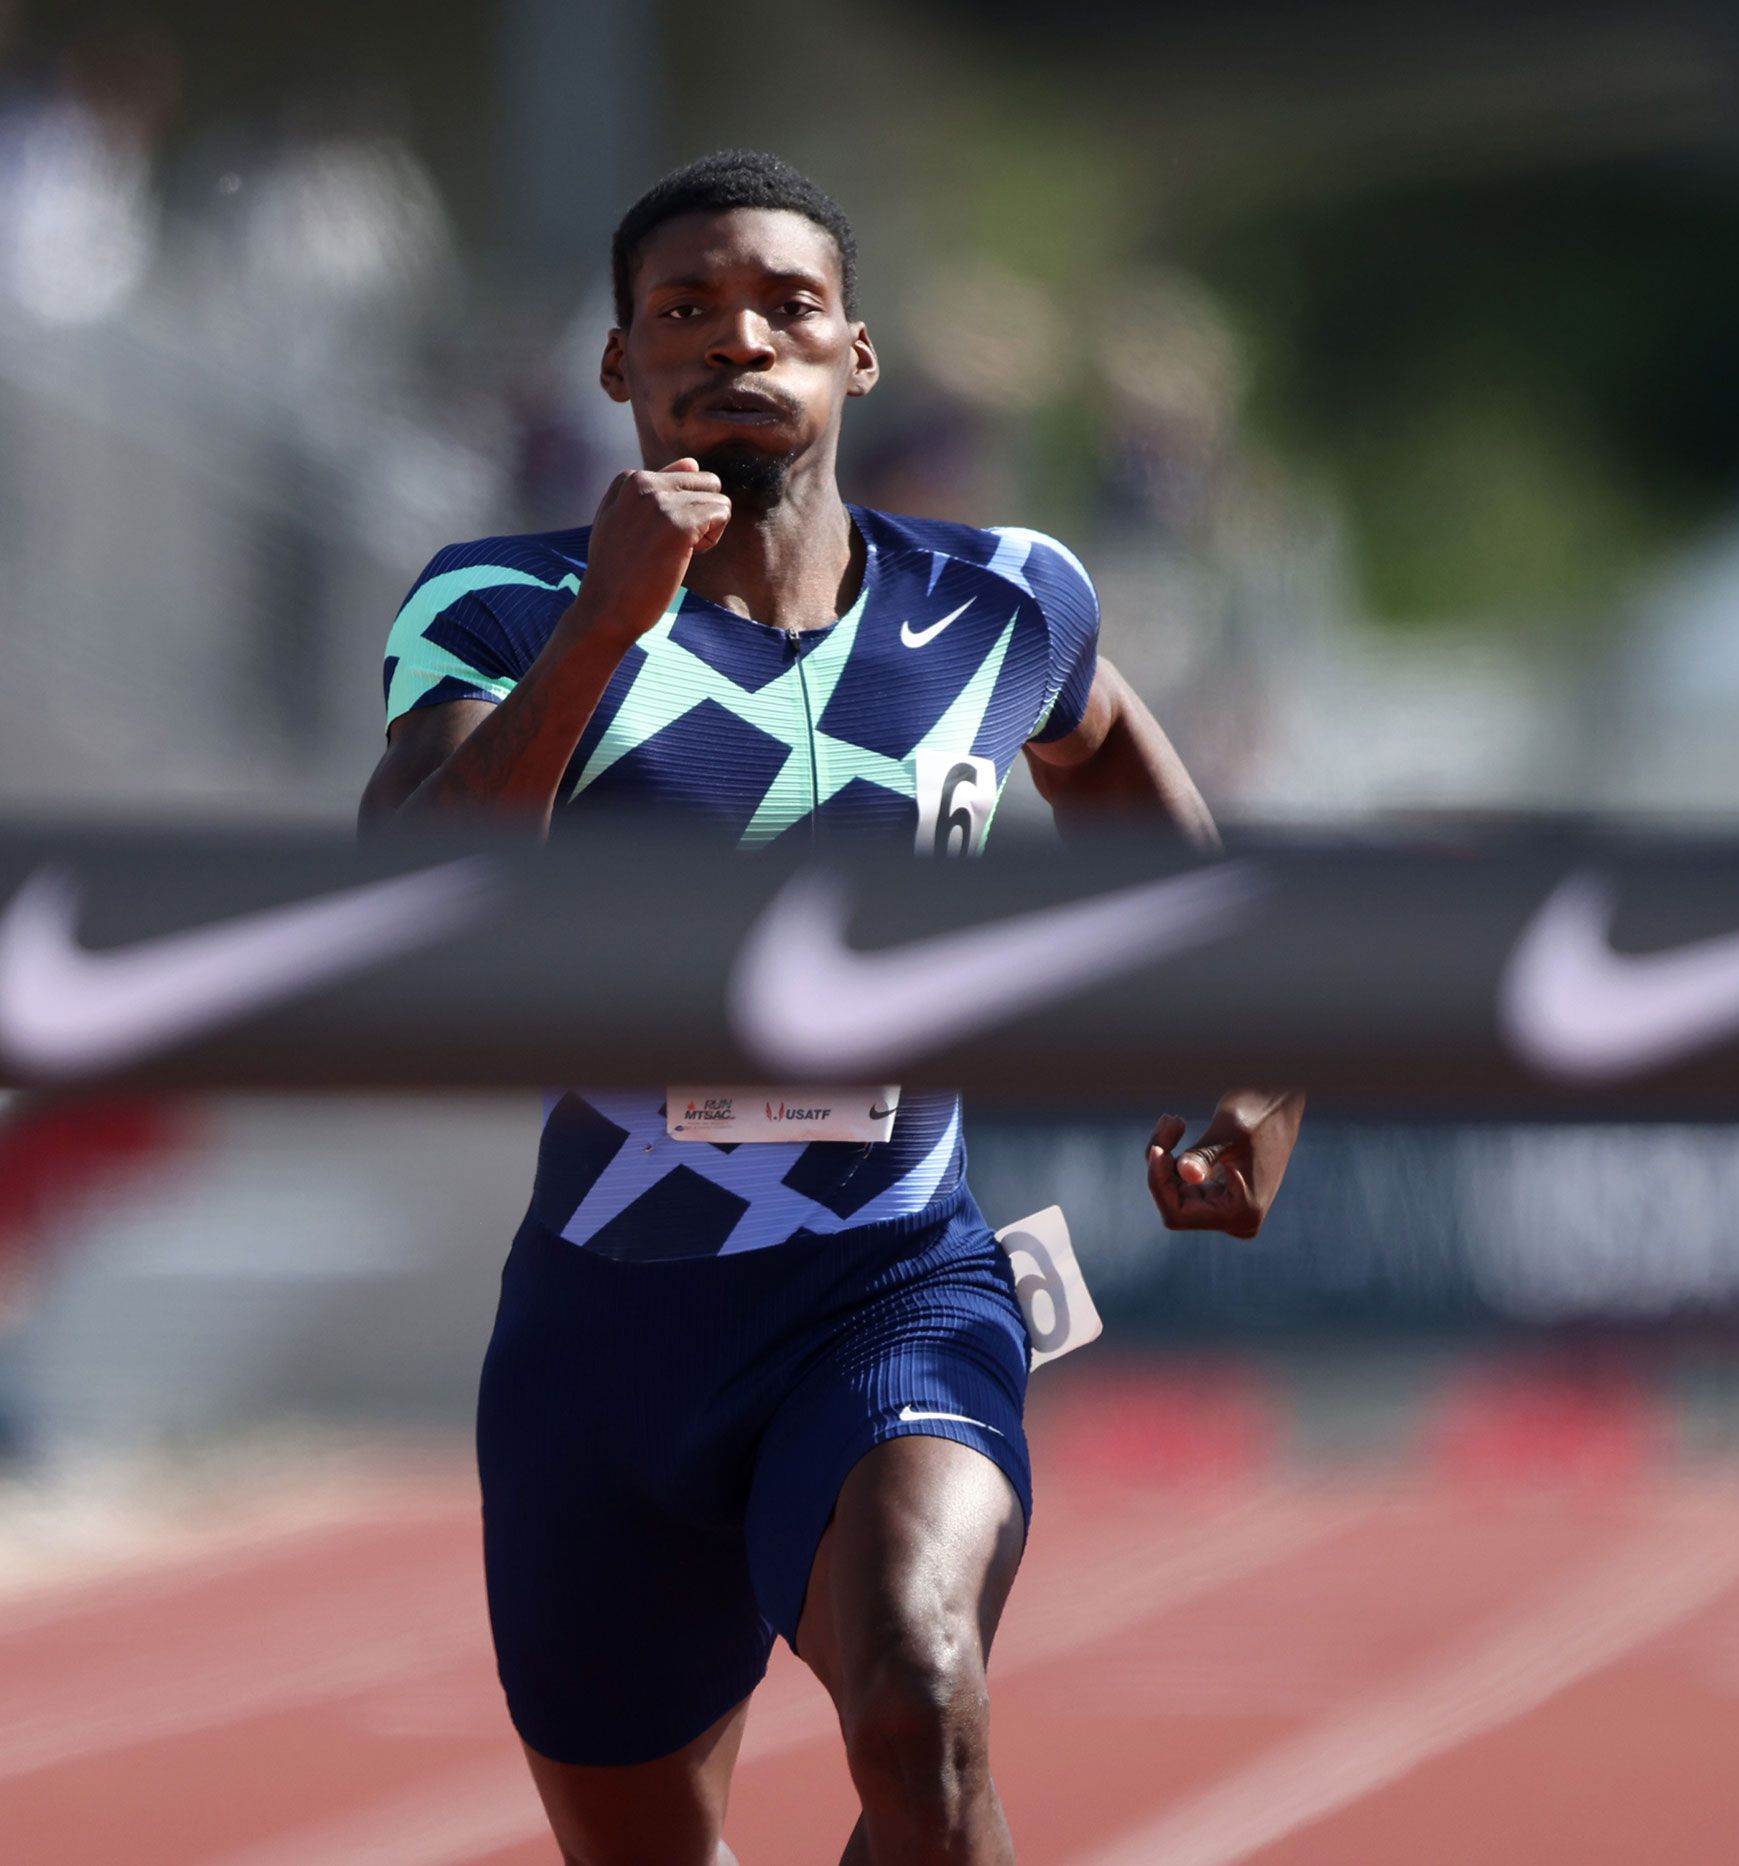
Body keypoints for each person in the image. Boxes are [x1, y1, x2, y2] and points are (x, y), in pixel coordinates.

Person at [361, 150, 1301, 1866]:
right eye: (683, 312)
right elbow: (407, 901)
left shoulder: (1000, 599)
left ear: (857, 354)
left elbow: (1163, 842)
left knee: (921, 1704)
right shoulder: (495, 603)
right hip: (609, 1324)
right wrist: (597, 634)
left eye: (787, 307)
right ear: (618, 369)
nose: (738, 340)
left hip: (893, 1280)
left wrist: (1259, 1074)